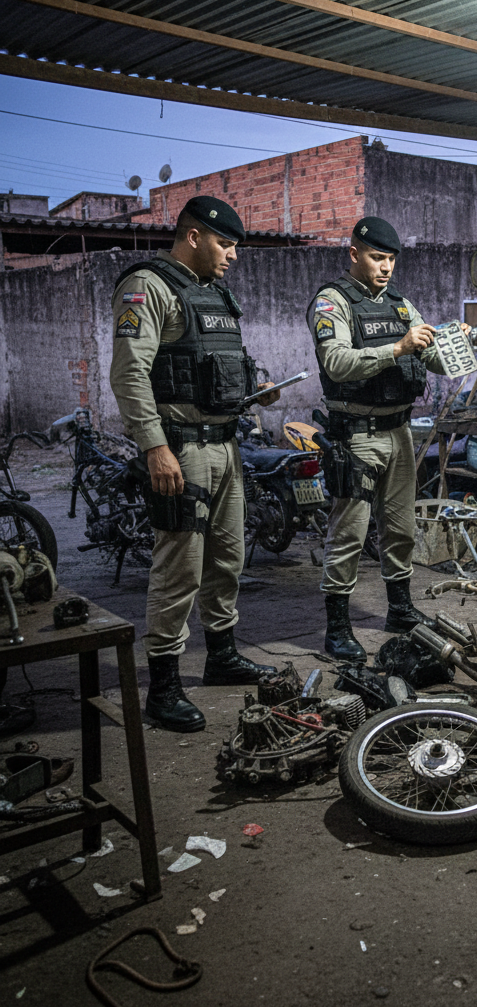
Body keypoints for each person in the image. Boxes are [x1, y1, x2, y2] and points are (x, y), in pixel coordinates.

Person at [109, 196, 279, 733]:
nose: (232, 255)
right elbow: (129, 374)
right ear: (193, 237)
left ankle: (222, 657)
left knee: (227, 560)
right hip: (180, 450)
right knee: (179, 567)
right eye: (225, 244)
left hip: (227, 446)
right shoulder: (149, 286)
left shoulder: (213, 294)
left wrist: (258, 390)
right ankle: (163, 687)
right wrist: (155, 447)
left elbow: (219, 366)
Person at [308, 216, 468, 662]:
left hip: (398, 431)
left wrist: (453, 339)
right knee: (350, 534)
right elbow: (337, 362)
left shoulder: (400, 304)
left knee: (400, 528)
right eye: (378, 257)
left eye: (391, 259)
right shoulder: (331, 302)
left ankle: (400, 610)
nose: (386, 267)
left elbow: (436, 359)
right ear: (355, 253)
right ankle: (337, 627)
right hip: (356, 435)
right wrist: (398, 347)